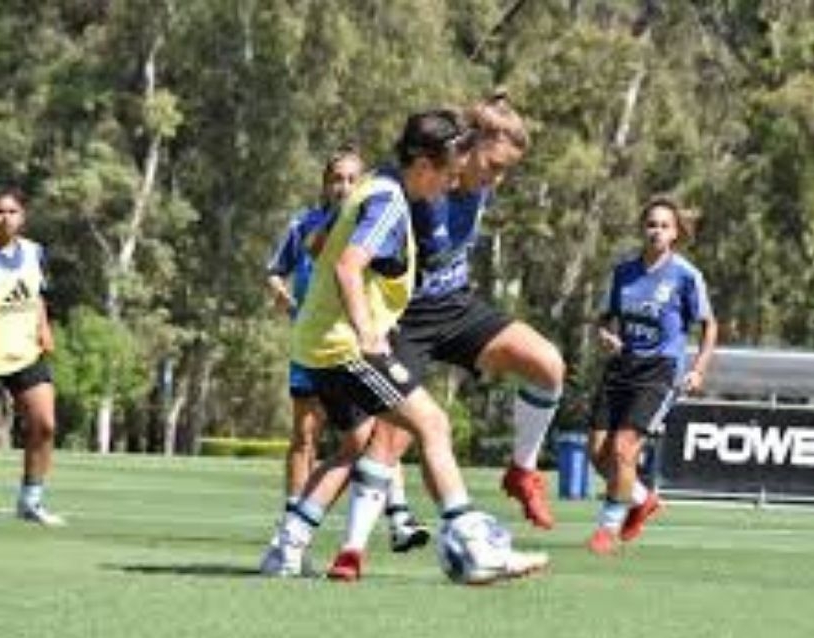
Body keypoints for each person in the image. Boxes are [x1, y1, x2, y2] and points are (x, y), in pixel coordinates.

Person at [259, 108, 548, 582]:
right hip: (344, 347)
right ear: (425, 165)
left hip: (318, 345)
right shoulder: (390, 201)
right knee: (432, 424)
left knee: (356, 444)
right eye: (449, 174)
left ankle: (284, 549)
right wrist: (367, 332)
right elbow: (347, 266)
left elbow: (317, 245)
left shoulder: (377, 183)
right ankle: (475, 548)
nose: (450, 186)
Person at [265, 147, 428, 553]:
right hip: (315, 343)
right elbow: (277, 270)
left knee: (378, 427)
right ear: (325, 183)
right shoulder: (306, 224)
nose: (344, 186)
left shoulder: (371, 223)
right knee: (307, 434)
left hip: (355, 343)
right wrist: (281, 293)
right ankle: (293, 522)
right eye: (337, 179)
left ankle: (398, 515)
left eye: (353, 179)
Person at [586, 195, 717, 554]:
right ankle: (643, 499)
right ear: (642, 229)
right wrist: (605, 335)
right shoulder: (623, 273)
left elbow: (709, 325)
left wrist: (698, 369)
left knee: (623, 449)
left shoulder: (686, 276)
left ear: (674, 233)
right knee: (598, 455)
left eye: (664, 226)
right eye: (651, 224)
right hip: (621, 367)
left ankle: (607, 529)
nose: (656, 231)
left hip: (660, 371)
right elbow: (602, 319)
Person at [0, 187, 65, 526]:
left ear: (22, 217)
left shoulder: (35, 252)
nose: (4, 218)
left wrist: (43, 327)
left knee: (45, 425)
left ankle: (30, 501)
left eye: (11, 212)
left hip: (24, 353)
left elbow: (38, 294)